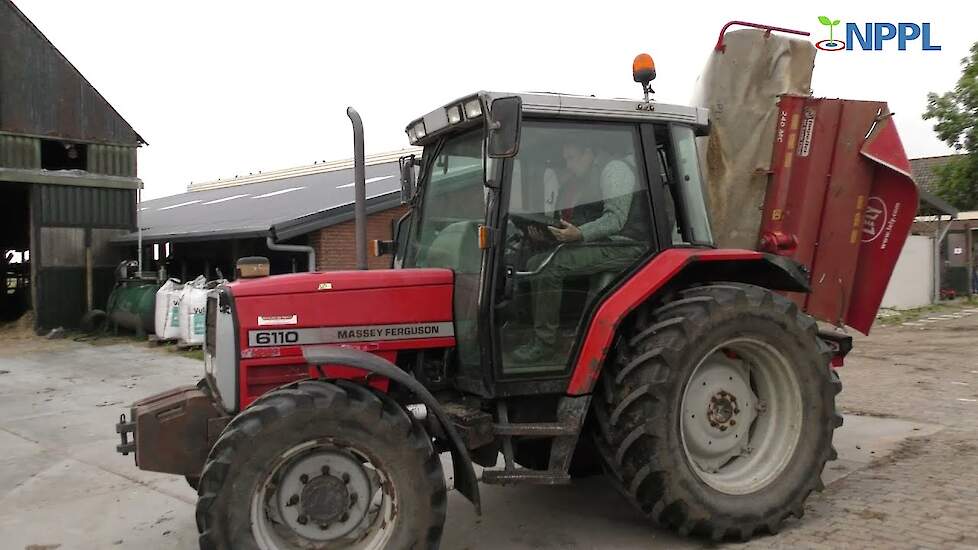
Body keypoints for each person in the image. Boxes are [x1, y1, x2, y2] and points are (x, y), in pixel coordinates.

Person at [511, 140, 648, 364]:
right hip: (604, 243)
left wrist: (579, 234)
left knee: (550, 266)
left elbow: (615, 219)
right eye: (565, 160)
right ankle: (529, 329)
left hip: (629, 245)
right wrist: (546, 235)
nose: (568, 165)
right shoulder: (583, 182)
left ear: (589, 152)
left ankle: (544, 344)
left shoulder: (614, 170)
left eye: (571, 158)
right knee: (533, 260)